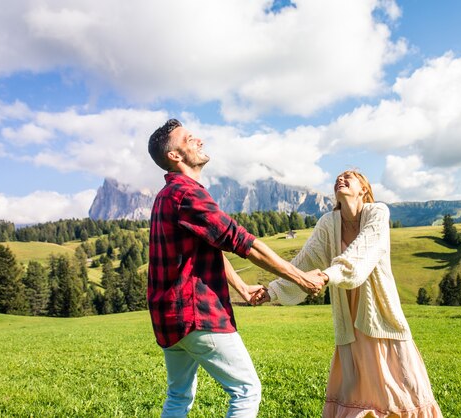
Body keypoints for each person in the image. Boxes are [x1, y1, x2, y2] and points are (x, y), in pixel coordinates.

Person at [146, 118, 326, 418]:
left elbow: (210, 247)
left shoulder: (166, 196)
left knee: (178, 397)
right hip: (196, 315)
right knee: (246, 391)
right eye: (189, 139)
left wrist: (241, 287)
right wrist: (301, 278)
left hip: (168, 318)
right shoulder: (187, 193)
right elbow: (244, 242)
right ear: (174, 156)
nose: (199, 140)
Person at [252, 170, 443, 418]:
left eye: (349, 177)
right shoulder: (328, 223)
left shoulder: (377, 213)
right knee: (356, 392)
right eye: (338, 178)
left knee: (404, 389)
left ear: (364, 189)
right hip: (349, 322)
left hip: (381, 314)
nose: (340, 179)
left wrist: (326, 276)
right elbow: (304, 261)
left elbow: (362, 253)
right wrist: (273, 291)